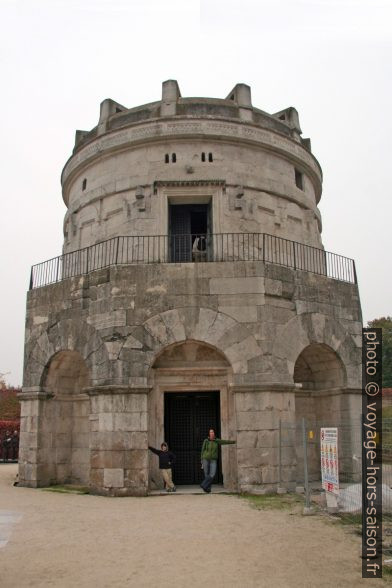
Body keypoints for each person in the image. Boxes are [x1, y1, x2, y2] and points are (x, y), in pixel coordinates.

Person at [200, 429, 235, 493]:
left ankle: (203, 484)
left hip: (213, 459)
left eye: (212, 432)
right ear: (209, 434)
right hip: (205, 458)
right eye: (210, 432)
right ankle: (207, 488)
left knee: (212, 474)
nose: (212, 433)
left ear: (214, 433)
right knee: (206, 473)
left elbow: (224, 442)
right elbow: (203, 450)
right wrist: (201, 459)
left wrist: (234, 442)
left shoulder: (216, 441)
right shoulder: (206, 441)